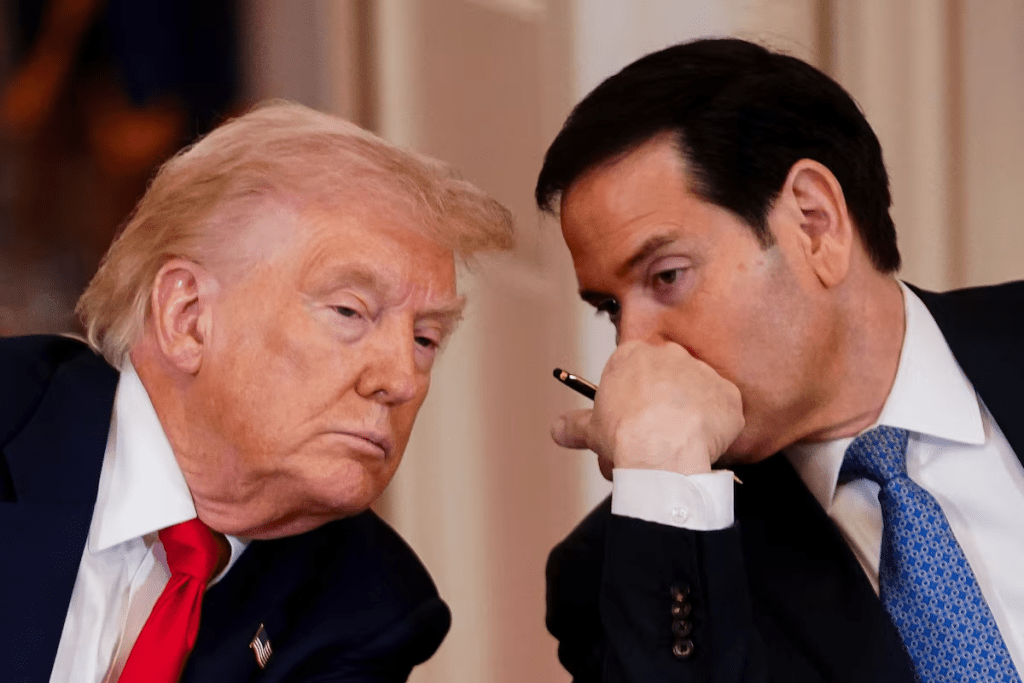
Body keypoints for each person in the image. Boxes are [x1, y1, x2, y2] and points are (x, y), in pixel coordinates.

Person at [536, 38, 1024, 682]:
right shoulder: (636, 566)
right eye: (609, 307)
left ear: (814, 223)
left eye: (667, 276)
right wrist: (662, 472)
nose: (634, 348)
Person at [0, 100, 513, 682]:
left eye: (425, 339)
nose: (400, 380)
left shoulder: (369, 607)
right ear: (188, 316)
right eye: (349, 310)